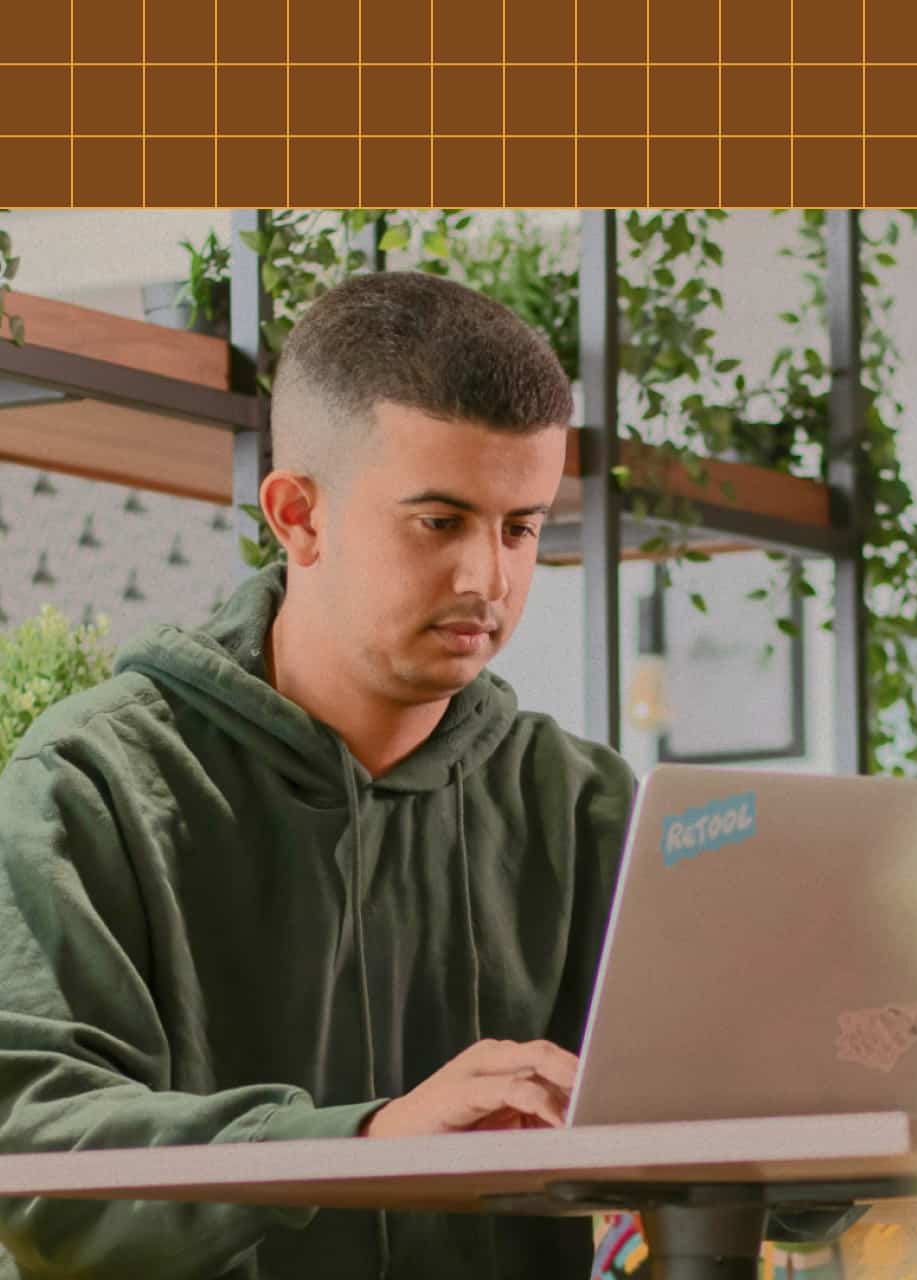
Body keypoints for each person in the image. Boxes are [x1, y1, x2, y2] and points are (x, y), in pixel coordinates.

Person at [0, 271, 636, 1279]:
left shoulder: (588, 805)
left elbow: (752, 1159)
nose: (489, 578)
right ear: (298, 514)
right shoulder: (92, 783)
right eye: (440, 520)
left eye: (521, 526)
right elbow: (36, 1153)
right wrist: (365, 1144)